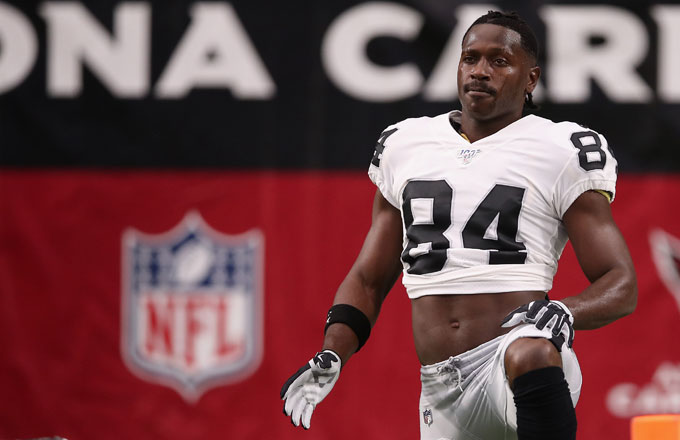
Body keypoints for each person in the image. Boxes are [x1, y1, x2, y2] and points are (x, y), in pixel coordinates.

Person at [280, 10, 637, 440]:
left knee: (532, 351)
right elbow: (368, 279)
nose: (480, 72)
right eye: (471, 58)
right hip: (439, 386)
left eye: (499, 61)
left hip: (512, 362)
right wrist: (332, 351)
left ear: (531, 79)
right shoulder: (406, 144)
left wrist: (565, 311)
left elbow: (621, 283)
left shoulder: (562, 149)